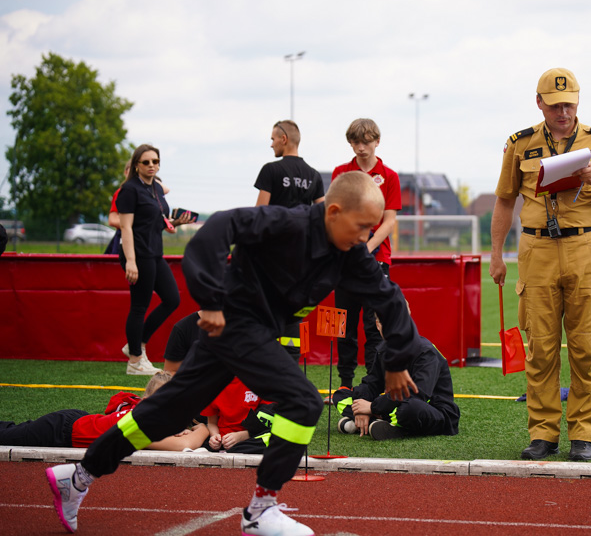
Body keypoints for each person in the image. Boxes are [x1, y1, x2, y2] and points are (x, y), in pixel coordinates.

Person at [45, 171, 422, 536]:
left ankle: (78, 476)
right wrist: (209, 299)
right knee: (304, 400)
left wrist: (396, 361)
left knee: (165, 411)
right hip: (234, 323)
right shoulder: (283, 223)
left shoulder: (351, 253)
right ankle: (260, 510)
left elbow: (389, 300)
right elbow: (215, 231)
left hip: (243, 336)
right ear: (334, 212)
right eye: (361, 227)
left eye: (371, 229)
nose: (366, 237)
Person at [489, 67, 591, 463]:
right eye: (554, 105)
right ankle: (543, 434)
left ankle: (583, 435)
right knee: (541, 349)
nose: (563, 112)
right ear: (540, 104)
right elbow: (504, 200)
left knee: (587, 348)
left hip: (586, 248)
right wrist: (496, 254)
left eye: (569, 104)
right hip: (537, 251)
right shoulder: (520, 144)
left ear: (578, 102)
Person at [331, 118, 402, 392]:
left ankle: (372, 387)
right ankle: (345, 386)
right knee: (344, 326)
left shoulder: (390, 176)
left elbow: (389, 221)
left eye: (366, 141)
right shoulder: (340, 172)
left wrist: (365, 249)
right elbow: (334, 214)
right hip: (344, 260)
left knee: (374, 327)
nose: (361, 147)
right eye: (355, 142)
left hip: (377, 260)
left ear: (377, 141)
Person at [116, 144, 193, 375]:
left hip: (154, 252)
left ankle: (135, 344)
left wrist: (175, 223)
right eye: (146, 162)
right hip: (137, 254)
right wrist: (130, 261)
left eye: (155, 162)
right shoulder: (129, 190)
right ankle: (135, 361)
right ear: (137, 165)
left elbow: (155, 221)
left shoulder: (156, 189)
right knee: (139, 305)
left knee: (172, 299)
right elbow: (126, 228)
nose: (152, 166)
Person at [254, 120, 325, 361]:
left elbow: (258, 214)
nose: (271, 143)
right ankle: (291, 367)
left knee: (268, 310)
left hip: (273, 256)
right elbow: (323, 216)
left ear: (284, 139)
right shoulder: (314, 175)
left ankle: (269, 369)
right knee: (293, 314)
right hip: (301, 257)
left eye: (273, 138)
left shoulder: (270, 170)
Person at [332, 309, 459, 440]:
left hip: (432, 411)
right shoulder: (383, 350)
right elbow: (372, 384)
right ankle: (380, 424)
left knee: (410, 408)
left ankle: (376, 423)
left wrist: (372, 407)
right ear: (377, 325)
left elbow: (417, 393)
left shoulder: (425, 351)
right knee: (340, 395)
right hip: (394, 405)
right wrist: (360, 407)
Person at [2, 372, 207, 450]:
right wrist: (206, 427)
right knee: (10, 436)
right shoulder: (140, 425)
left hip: (78, 422)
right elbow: (185, 444)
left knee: (20, 430)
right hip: (60, 430)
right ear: (145, 401)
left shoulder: (146, 419)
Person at [204, 376, 270, 454]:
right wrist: (214, 436)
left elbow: (267, 422)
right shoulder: (212, 386)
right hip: (223, 441)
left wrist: (242, 436)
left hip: (253, 438)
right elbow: (211, 423)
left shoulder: (260, 381)